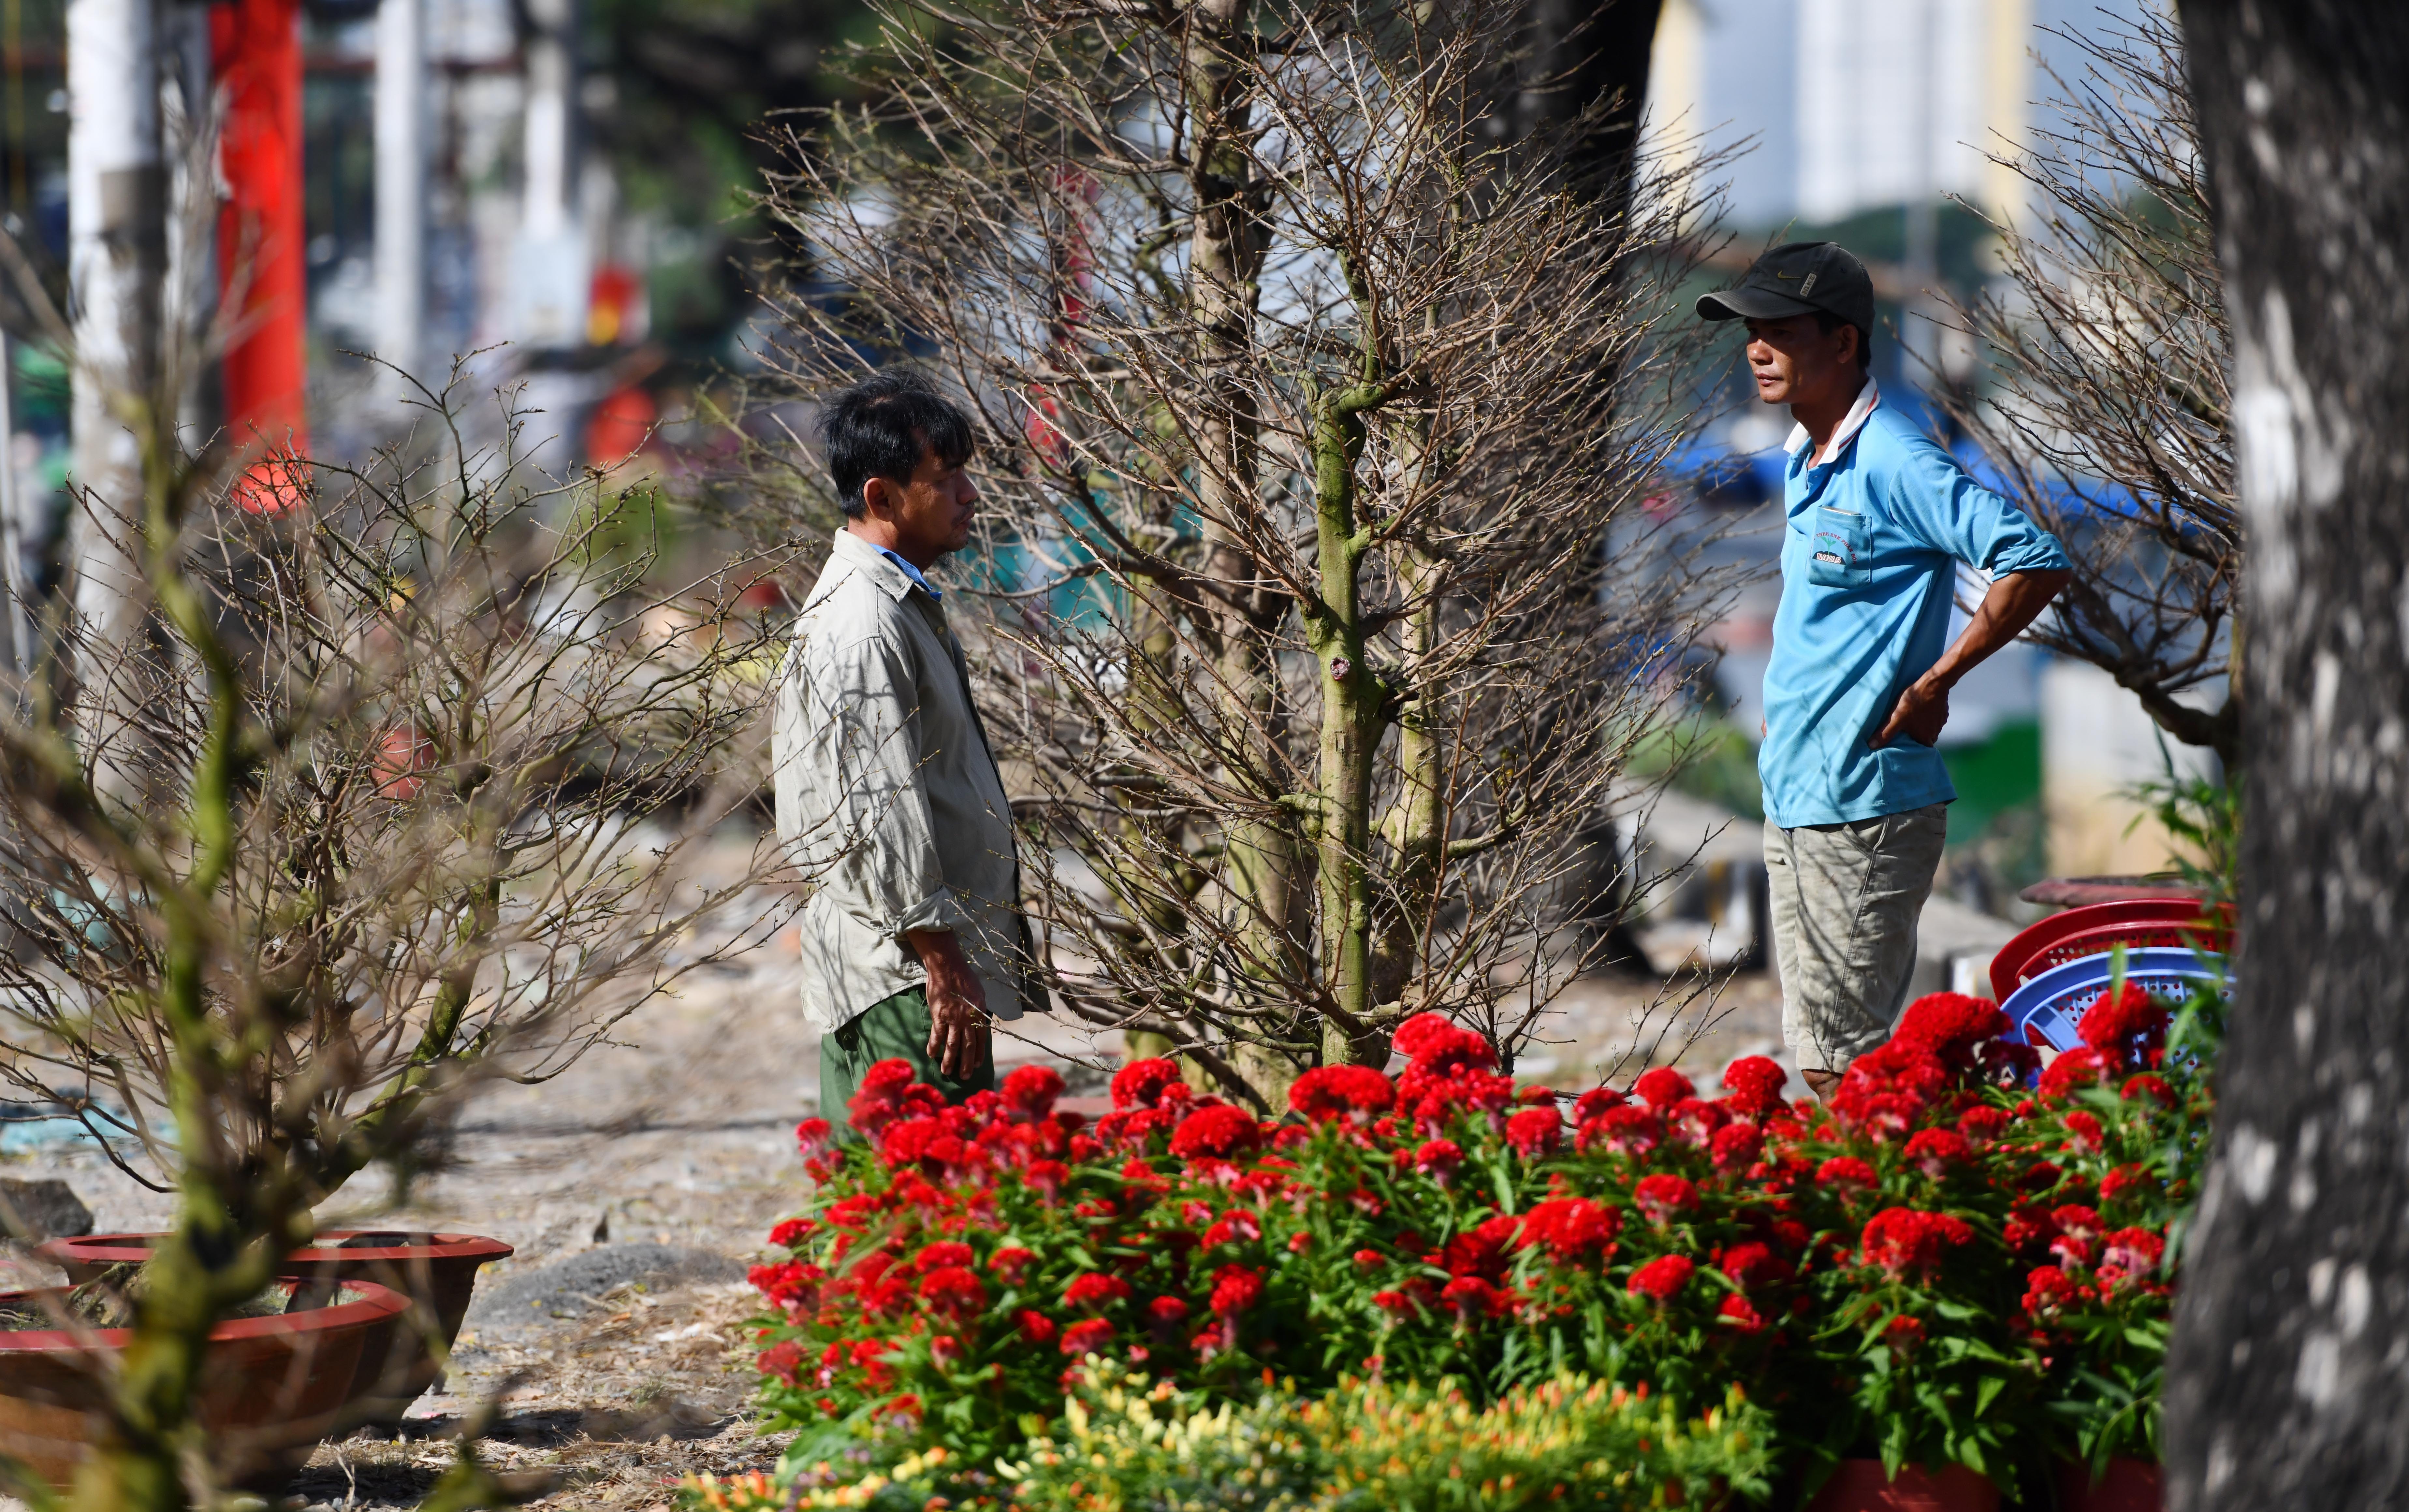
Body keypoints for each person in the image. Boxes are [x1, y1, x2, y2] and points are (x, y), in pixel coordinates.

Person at [1697, 242, 2072, 1099]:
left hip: (1862, 806)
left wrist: (1939, 680)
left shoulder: (1894, 458)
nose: (1757, 348)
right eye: (1752, 332)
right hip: (1796, 796)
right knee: (1829, 1053)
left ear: (1845, 343)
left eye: (1781, 331)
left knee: (1846, 1067)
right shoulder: (1806, 456)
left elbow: (2032, 557)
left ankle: (1926, 1209)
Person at [773, 370, 1038, 1122]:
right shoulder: (865, 623)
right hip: (908, 976)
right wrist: (944, 964)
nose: (969, 496)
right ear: (882, 498)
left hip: (917, 965)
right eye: (946, 478)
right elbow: (876, 810)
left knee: (922, 1208)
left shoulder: (898, 602)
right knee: (921, 1208)